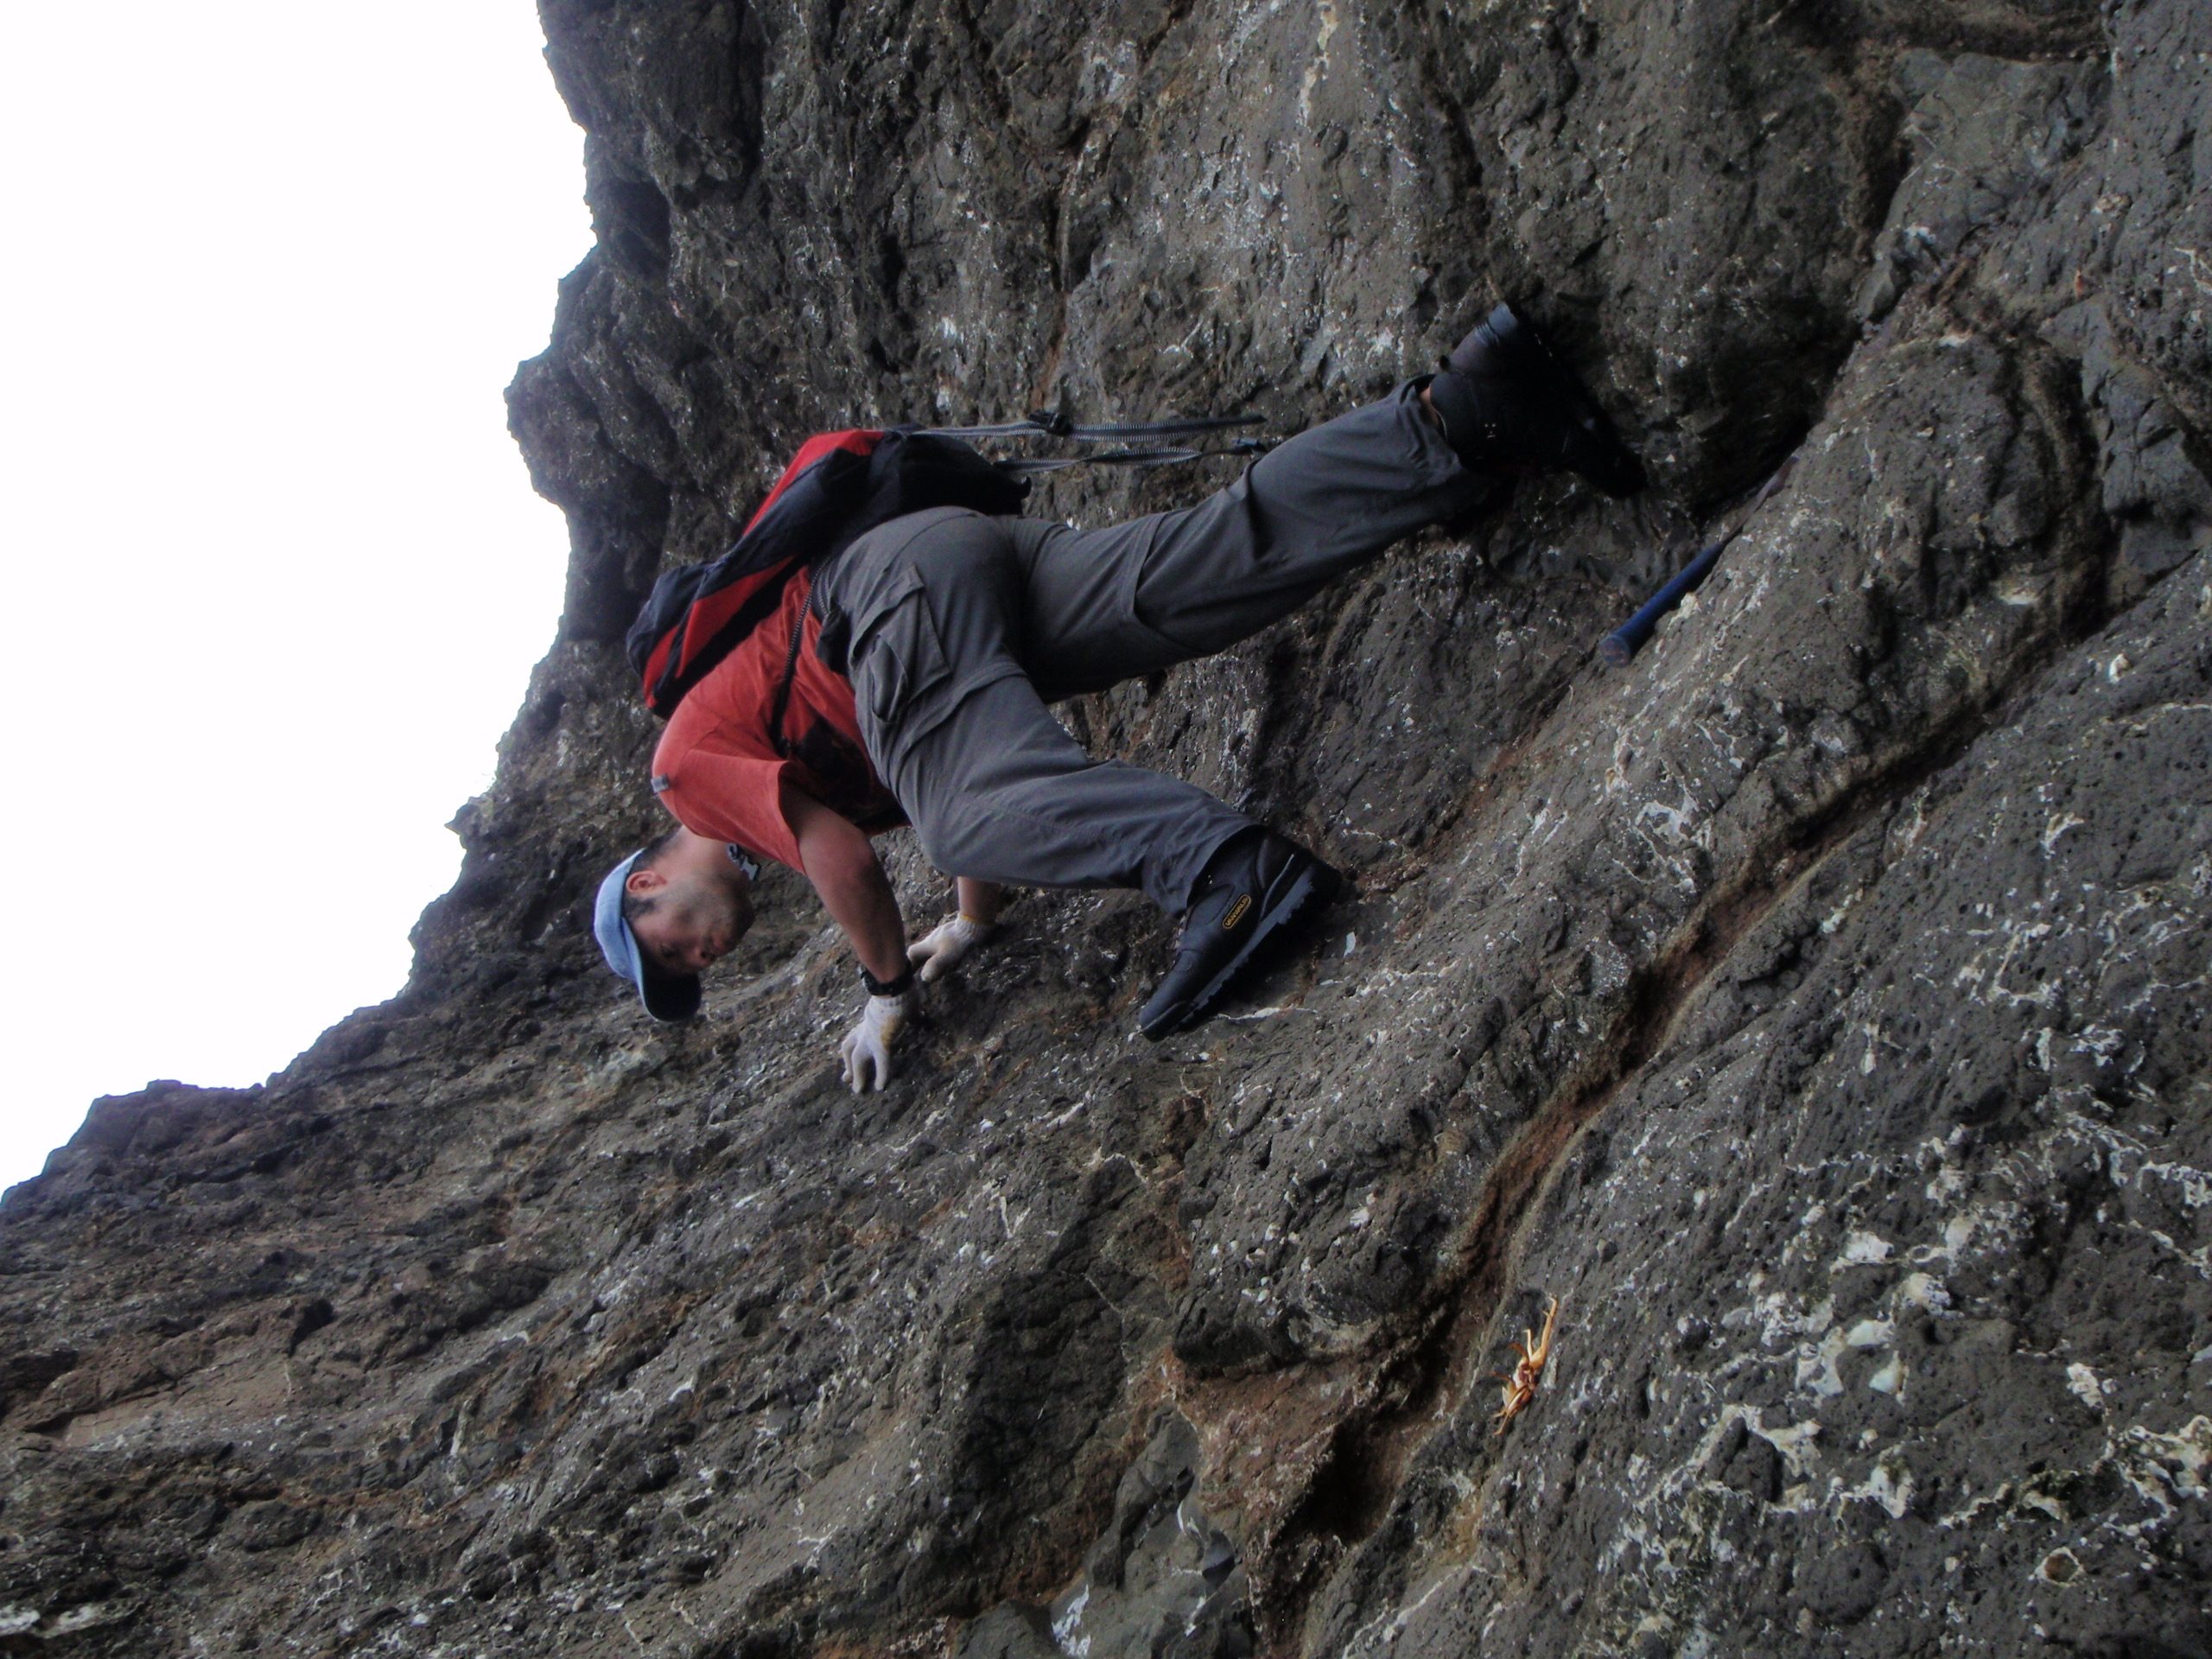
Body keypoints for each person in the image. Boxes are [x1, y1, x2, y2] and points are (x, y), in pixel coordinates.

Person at [593, 304, 1643, 1090]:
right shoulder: (790, 751)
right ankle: (1462, 415)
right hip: (950, 570)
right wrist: (967, 924)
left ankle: (1227, 872)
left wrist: (887, 992)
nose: (702, 957)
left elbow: (855, 854)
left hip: (880, 598)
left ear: (647, 889)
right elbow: (956, 760)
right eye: (693, 973)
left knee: (966, 805)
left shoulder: (686, 777)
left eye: (673, 950)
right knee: (1192, 574)